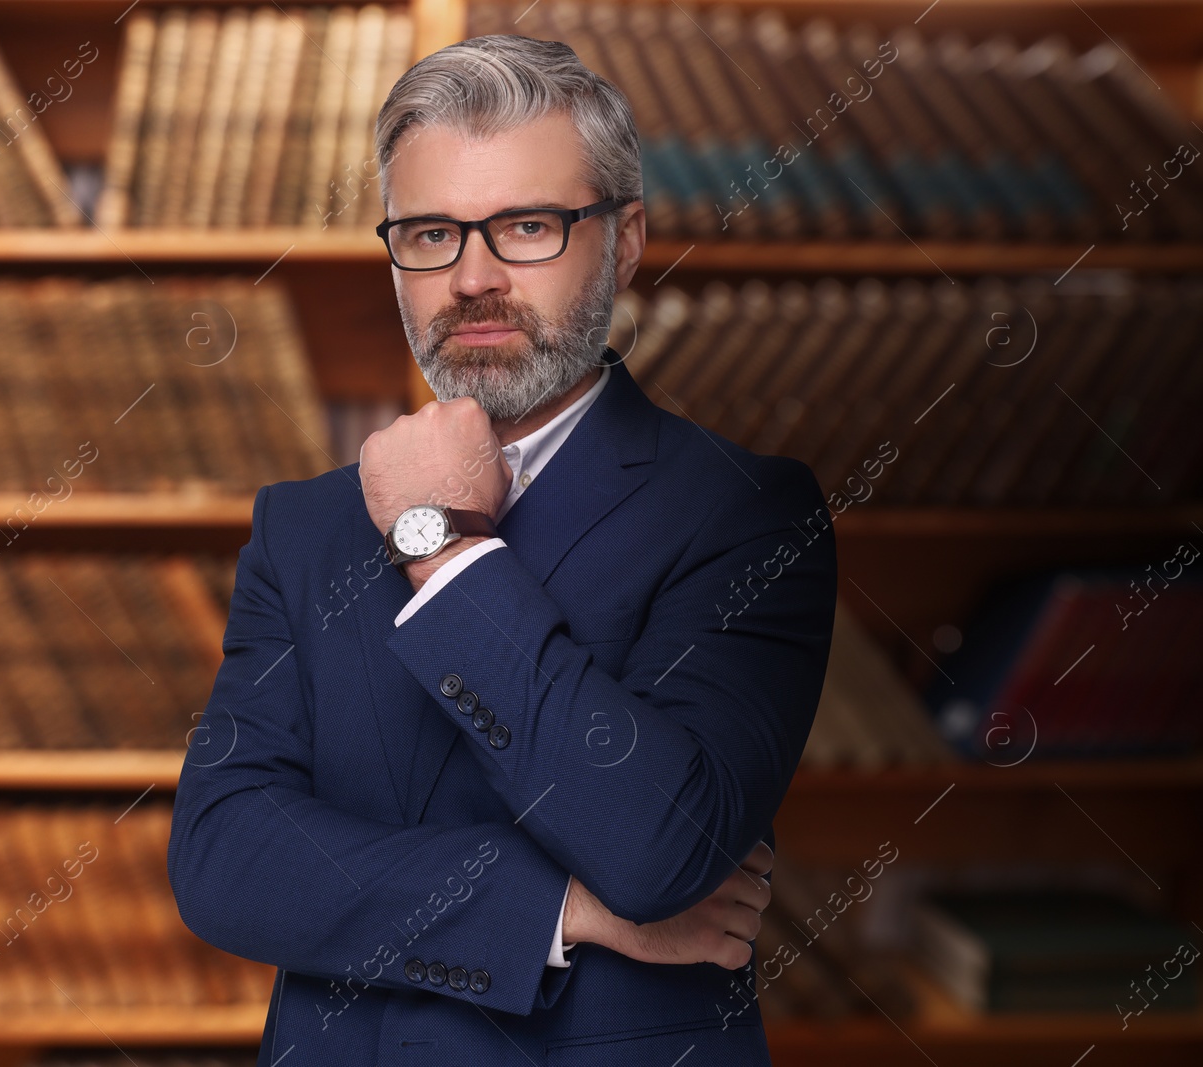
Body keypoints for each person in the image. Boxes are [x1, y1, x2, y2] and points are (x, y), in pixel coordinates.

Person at [168, 33, 837, 1066]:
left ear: (623, 242)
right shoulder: (303, 526)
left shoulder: (745, 514)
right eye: (430, 233)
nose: (471, 278)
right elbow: (223, 858)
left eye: (527, 226)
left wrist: (436, 551)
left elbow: (663, 841)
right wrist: (559, 907)